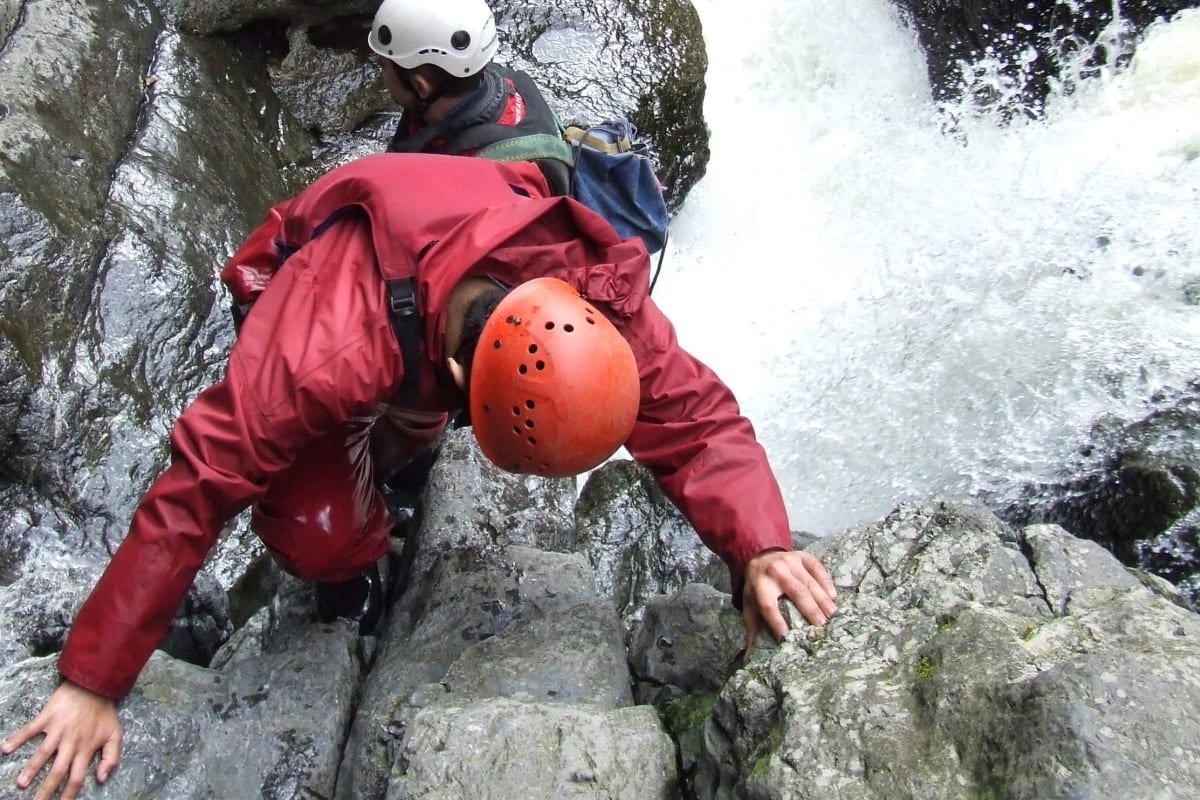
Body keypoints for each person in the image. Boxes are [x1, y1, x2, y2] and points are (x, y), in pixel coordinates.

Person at [1, 152, 837, 799]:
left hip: (446, 259)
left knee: (397, 432)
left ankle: (400, 434)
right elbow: (202, 480)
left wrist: (760, 546)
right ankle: (368, 514)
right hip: (316, 268)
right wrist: (91, 681)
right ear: (448, 369)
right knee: (320, 530)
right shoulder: (321, 344)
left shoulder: (589, 289)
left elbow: (696, 418)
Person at [369, 0, 573, 195]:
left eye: (383, 65)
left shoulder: (500, 182)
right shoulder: (487, 77)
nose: (381, 74)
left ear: (420, 86)